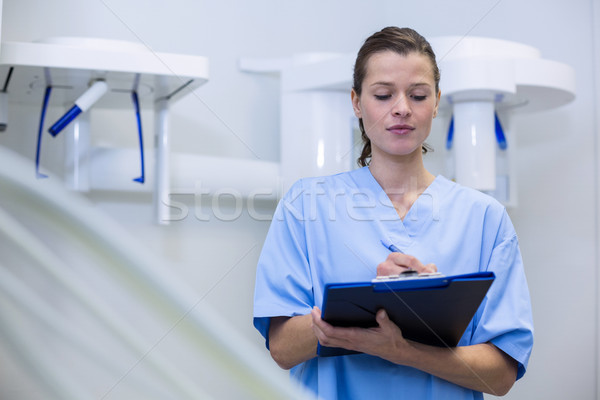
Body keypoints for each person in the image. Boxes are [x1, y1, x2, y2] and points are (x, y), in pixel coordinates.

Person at [253, 26, 533, 400]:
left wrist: (405, 350)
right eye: (383, 95)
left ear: (435, 103)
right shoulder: (305, 206)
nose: (401, 107)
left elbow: (501, 375)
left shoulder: (484, 217)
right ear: (356, 102)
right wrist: (373, 304)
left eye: (418, 95)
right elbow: (283, 348)